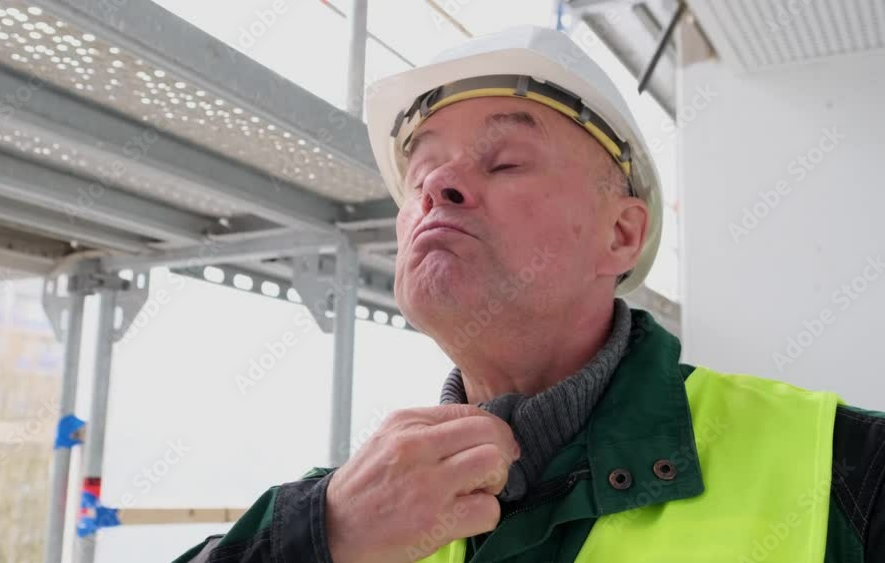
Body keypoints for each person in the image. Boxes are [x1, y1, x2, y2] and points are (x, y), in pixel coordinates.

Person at [175, 26, 885, 563]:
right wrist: (320, 536)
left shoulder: (850, 473)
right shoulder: (346, 512)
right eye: (421, 172)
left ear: (622, 234)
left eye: (505, 160)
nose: (436, 189)